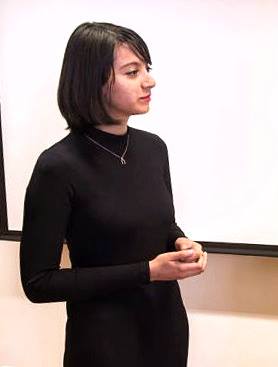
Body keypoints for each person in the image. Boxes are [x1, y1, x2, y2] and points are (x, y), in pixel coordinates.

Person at [19, 22, 207, 367]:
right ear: (93, 80)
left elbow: (160, 224)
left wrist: (181, 242)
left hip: (166, 331)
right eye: (132, 72)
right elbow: (38, 283)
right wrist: (146, 271)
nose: (149, 81)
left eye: (146, 70)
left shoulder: (153, 149)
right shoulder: (57, 166)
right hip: (103, 344)